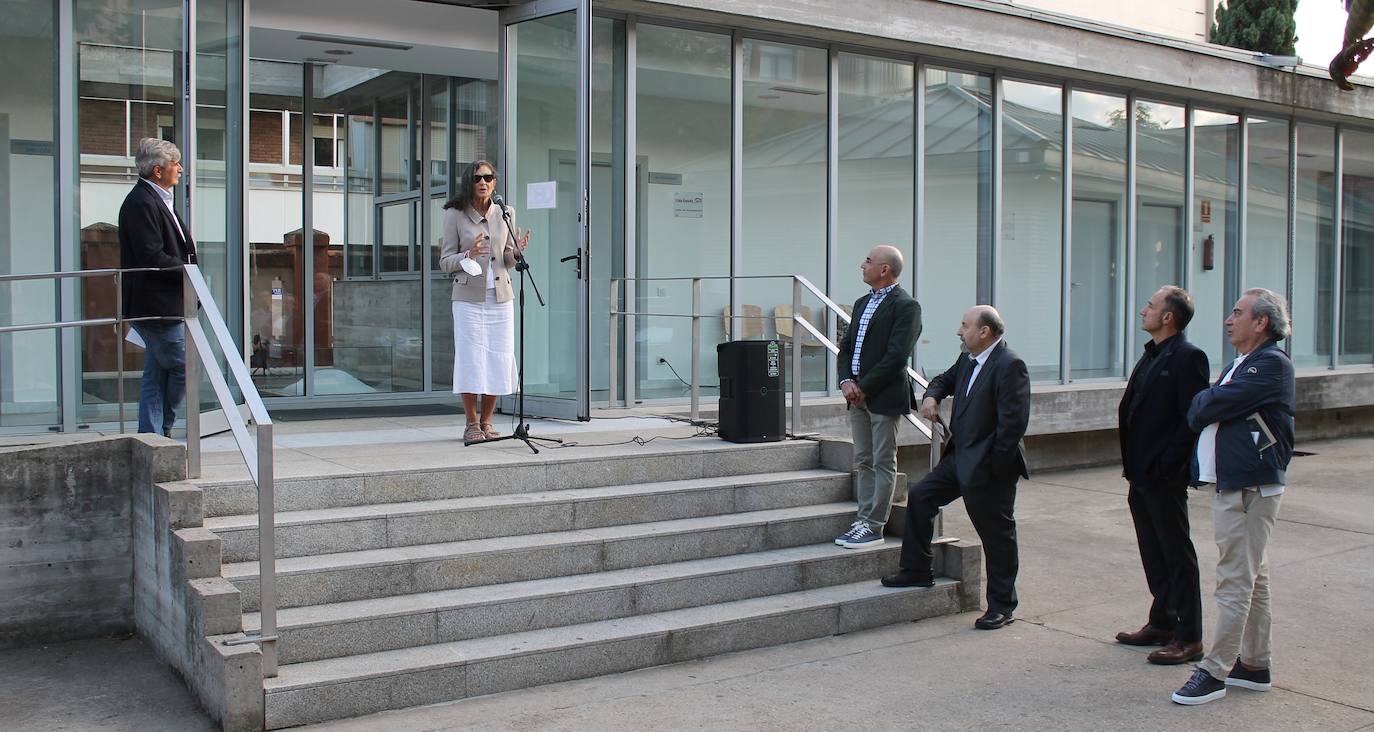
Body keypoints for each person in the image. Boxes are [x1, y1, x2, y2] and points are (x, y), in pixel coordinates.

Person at [1171, 288, 1296, 705]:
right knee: (1252, 575)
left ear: (1261, 322)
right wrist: (1208, 402)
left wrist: (1208, 401)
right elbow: (1204, 407)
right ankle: (1255, 664)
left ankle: (1215, 670)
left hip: (1249, 485)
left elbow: (1207, 406)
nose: (1228, 319)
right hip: (1238, 483)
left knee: (1234, 579)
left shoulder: (1270, 364)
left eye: (1238, 312)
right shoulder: (1244, 364)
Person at [881, 306, 1030, 631]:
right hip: (960, 457)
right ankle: (918, 571)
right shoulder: (968, 359)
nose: (958, 331)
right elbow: (942, 380)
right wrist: (932, 397)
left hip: (991, 467)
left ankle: (1002, 606)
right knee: (921, 497)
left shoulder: (1010, 365)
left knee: (997, 536)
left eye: (965, 326)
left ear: (985, 332)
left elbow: (1012, 426)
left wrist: (992, 468)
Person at [1115, 286, 1210, 664]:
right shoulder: (1152, 354)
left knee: (1176, 554)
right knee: (1153, 552)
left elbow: (1192, 420)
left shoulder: (1189, 357)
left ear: (1168, 316)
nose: (1143, 311)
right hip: (1140, 474)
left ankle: (1190, 637)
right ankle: (1163, 622)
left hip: (1162, 476)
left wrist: (1168, 467)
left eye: (1151, 306)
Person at [833, 245, 922, 549]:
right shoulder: (860, 303)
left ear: (884, 269)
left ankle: (874, 526)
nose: (862, 265)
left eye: (868, 261)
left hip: (881, 395)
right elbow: (845, 347)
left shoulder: (906, 306)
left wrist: (864, 387)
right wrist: (846, 381)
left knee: (883, 461)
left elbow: (897, 356)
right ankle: (861, 520)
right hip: (855, 395)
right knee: (863, 459)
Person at [439, 160, 531, 445]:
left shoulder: (506, 212)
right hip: (468, 299)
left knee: (498, 358)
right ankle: (471, 423)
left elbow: (505, 257)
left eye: (489, 178)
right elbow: (444, 261)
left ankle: (488, 422)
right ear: (470, 181)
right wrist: (467, 255)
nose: (484, 182)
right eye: (478, 177)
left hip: (500, 298)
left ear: (495, 182)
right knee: (471, 360)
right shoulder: (455, 214)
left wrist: (515, 253)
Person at [119, 138, 197, 437]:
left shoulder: (156, 199)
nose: (179, 168)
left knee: (156, 373)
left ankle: (152, 436)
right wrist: (189, 274)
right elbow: (150, 255)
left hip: (165, 303)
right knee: (183, 366)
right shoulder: (141, 202)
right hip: (156, 305)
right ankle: (161, 431)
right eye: (174, 164)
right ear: (156, 170)